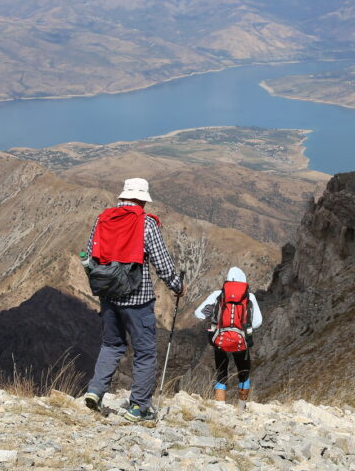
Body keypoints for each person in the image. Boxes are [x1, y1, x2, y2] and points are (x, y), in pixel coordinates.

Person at [82, 177, 183, 423]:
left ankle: (95, 392)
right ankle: (139, 408)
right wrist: (176, 286)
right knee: (145, 352)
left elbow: (89, 253)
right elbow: (161, 261)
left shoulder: (103, 219)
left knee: (111, 345)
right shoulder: (145, 223)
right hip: (138, 299)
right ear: (141, 199)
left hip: (108, 296)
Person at [194, 266, 262, 407]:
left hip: (221, 340)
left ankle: (220, 409)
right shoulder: (249, 297)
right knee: (244, 374)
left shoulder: (218, 295)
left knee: (221, 374)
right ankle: (241, 408)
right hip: (241, 342)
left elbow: (198, 313)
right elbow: (257, 322)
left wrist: (214, 315)